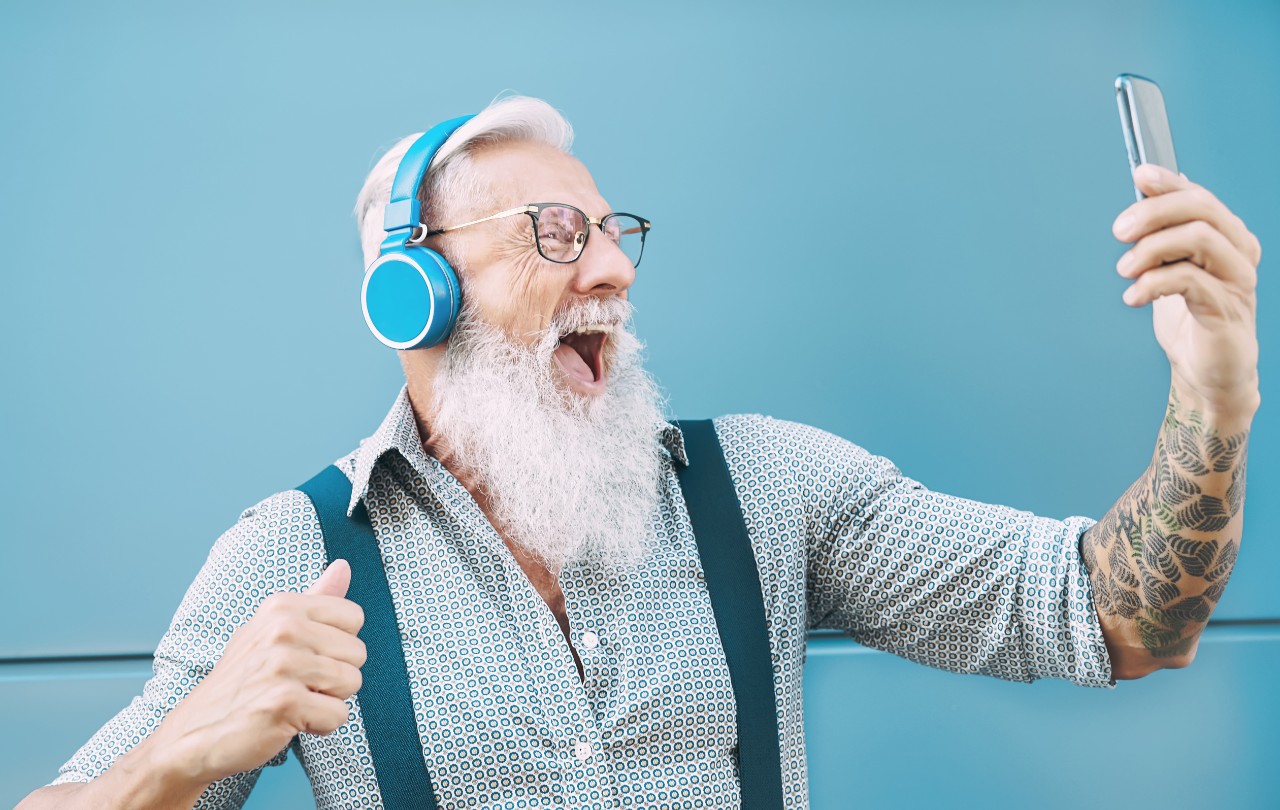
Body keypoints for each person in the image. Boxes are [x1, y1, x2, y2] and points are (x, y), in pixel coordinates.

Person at [18, 95, 1261, 810]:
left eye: (615, 232)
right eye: (555, 232)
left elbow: (1115, 620)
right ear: (413, 294)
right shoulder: (297, 559)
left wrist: (1213, 393)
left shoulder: (765, 490)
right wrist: (179, 754)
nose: (610, 264)